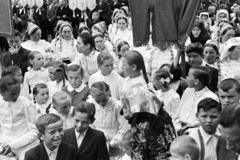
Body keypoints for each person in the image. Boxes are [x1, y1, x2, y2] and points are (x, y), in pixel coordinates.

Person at [0, 75, 39, 160]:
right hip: (5, 145)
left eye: (18, 92)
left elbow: (35, 131)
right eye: (12, 93)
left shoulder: (26, 104)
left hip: (26, 145)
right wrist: (3, 144)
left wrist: (13, 145)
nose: (16, 96)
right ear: (2, 92)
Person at [174, 66, 219, 134]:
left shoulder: (211, 97)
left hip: (196, 134)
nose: (186, 78)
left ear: (196, 81)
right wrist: (177, 127)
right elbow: (177, 114)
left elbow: (209, 122)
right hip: (179, 131)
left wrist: (190, 132)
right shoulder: (188, 91)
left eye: (189, 76)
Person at [87, 82, 125, 148]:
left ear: (108, 94)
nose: (101, 103)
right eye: (98, 101)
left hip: (114, 142)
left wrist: (113, 143)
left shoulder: (117, 105)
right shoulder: (90, 104)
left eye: (104, 100)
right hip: (94, 141)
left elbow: (124, 127)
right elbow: (88, 123)